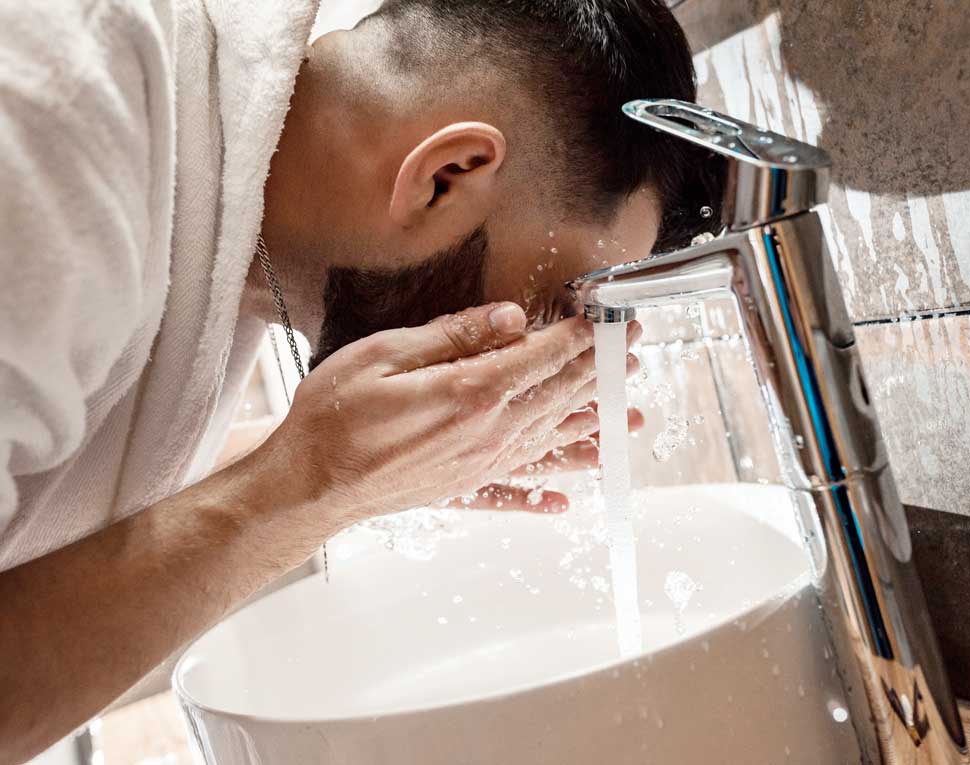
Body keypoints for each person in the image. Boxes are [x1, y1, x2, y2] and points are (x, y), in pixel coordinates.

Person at [0, 0, 719, 761]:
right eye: (553, 301)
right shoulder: (61, 108)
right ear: (445, 177)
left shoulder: (226, 211)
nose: (546, 346)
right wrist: (305, 487)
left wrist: (365, 463)